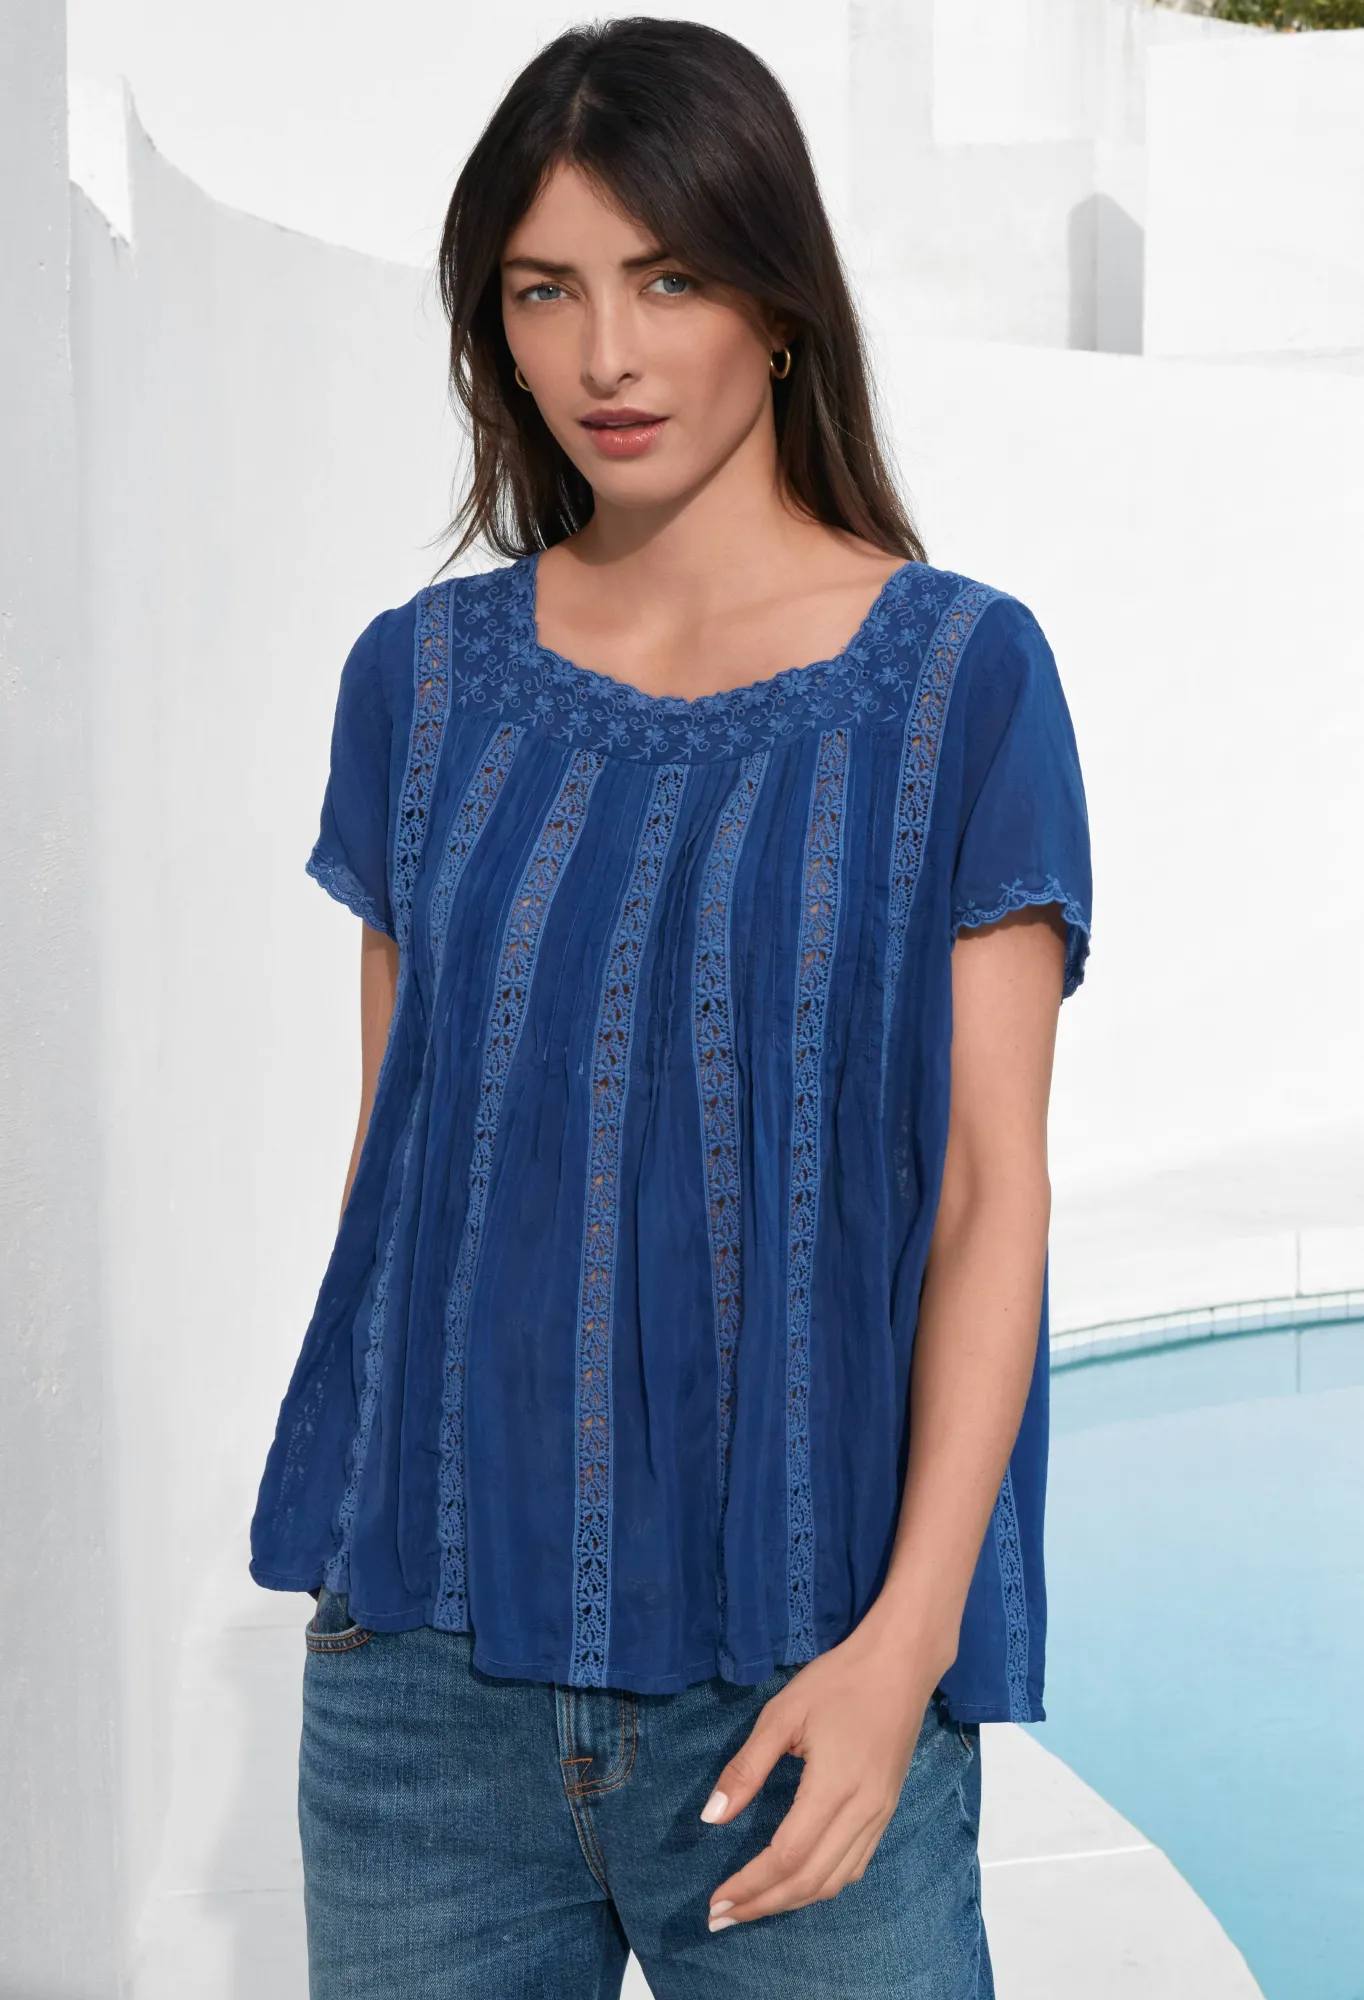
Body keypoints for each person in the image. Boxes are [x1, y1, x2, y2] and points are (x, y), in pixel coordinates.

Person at [249, 17, 1092, 1998]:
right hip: (423, 1696)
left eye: (668, 278)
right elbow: (402, 1169)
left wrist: (902, 1651)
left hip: (801, 1677)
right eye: (544, 290)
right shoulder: (418, 686)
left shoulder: (960, 683)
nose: (605, 357)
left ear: (777, 304)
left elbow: (993, 1197)